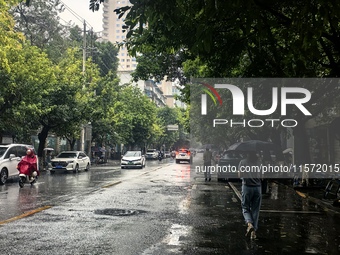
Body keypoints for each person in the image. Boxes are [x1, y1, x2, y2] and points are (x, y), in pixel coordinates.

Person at [238, 151, 262, 240]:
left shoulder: (243, 162)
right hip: (257, 188)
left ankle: (249, 223)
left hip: (247, 187)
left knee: (245, 207)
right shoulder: (259, 163)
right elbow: (262, 176)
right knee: (255, 210)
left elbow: (240, 175)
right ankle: (253, 232)